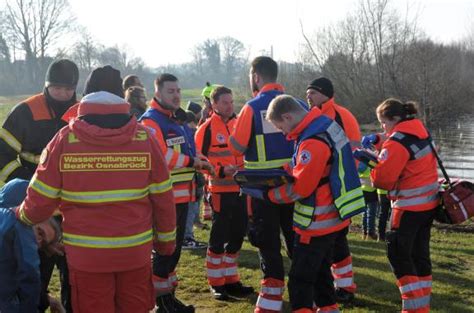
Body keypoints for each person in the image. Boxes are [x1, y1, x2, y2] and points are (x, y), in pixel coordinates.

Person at [16, 65, 177, 313]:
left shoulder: (64, 140)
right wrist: (166, 244)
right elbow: (164, 198)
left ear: (86, 95)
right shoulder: (145, 140)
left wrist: (22, 215)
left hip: (86, 257)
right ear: (120, 97)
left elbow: (40, 200)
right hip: (134, 254)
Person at [243, 95, 362, 312]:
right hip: (334, 218)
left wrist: (268, 195)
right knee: (321, 278)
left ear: (288, 116)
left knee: (300, 282)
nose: (283, 133)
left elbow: (300, 188)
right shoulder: (325, 125)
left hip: (317, 223)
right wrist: (283, 171)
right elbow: (309, 165)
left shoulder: (312, 140)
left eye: (281, 127)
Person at [0, 58, 78, 313]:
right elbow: (3, 156)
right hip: (33, 213)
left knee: (75, 280)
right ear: (46, 85)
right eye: (57, 88)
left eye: (68, 89)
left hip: (70, 212)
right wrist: (28, 190)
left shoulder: (80, 113)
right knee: (33, 276)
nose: (63, 94)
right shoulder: (26, 111)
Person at [140, 73, 214, 313]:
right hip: (163, 200)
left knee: (173, 253)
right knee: (163, 253)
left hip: (182, 197)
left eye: (178, 91)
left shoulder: (175, 120)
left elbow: (189, 150)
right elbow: (160, 156)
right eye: (171, 91)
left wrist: (200, 159)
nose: (177, 95)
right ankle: (160, 303)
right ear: (157, 92)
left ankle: (168, 299)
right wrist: (193, 162)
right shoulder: (151, 121)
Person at [228, 56, 296, 312]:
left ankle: (270, 303)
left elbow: (237, 146)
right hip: (294, 186)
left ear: (256, 76)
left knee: (267, 244)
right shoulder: (297, 104)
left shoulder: (251, 107)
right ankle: (307, 296)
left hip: (261, 190)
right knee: (297, 241)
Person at [370, 98, 439, 313]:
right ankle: (423, 305)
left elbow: (382, 181)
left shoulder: (396, 143)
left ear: (395, 119)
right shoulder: (422, 132)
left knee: (398, 255)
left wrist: (373, 162)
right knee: (419, 255)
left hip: (407, 208)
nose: (382, 127)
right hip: (429, 205)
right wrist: (381, 142)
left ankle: (413, 307)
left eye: (383, 122)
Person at [195, 86, 254, 300]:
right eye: (225, 102)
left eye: (231, 101)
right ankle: (216, 283)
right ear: (214, 105)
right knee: (218, 238)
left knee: (238, 235)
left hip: (242, 189)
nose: (230, 106)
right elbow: (199, 160)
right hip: (220, 190)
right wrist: (220, 170)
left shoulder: (240, 123)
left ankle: (231, 280)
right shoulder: (206, 128)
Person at [306, 77, 360, 302]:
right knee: (334, 240)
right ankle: (341, 286)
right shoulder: (314, 115)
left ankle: (345, 289)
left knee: (337, 240)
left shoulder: (340, 115)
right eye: (307, 94)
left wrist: (340, 180)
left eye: (313, 94)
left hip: (338, 187)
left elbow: (353, 153)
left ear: (325, 94)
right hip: (323, 188)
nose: (308, 98)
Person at [0, 179, 63, 313]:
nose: (37, 241)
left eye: (42, 243)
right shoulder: (19, 227)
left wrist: (46, 299)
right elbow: (30, 278)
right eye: (40, 232)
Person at [182, 110, 208, 250]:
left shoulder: (187, 134)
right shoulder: (190, 134)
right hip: (192, 180)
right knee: (190, 210)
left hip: (192, 180)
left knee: (190, 210)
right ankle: (187, 237)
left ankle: (186, 236)